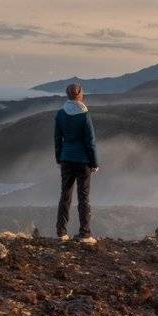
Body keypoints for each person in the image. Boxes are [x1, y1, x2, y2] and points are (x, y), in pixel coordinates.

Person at [54, 83, 98, 243]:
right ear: (80, 95)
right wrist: (94, 162)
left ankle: (61, 232)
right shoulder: (84, 114)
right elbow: (90, 141)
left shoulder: (60, 114)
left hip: (66, 159)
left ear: (67, 95)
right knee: (83, 197)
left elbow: (58, 139)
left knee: (65, 195)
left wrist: (59, 158)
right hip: (83, 161)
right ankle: (85, 233)